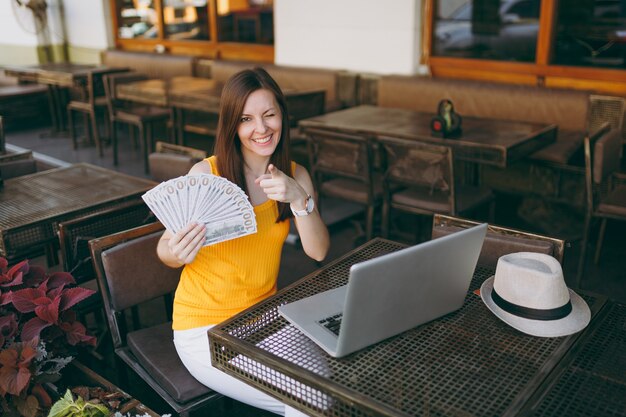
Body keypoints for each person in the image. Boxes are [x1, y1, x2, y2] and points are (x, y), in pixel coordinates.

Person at [157, 67, 330, 416]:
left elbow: (318, 251)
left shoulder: (295, 175)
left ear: (283, 115)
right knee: (308, 402)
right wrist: (175, 251)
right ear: (232, 125)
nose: (262, 129)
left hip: (265, 317)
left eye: (270, 115)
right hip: (204, 328)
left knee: (327, 392)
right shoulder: (207, 175)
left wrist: (300, 200)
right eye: (247, 119)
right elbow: (165, 250)